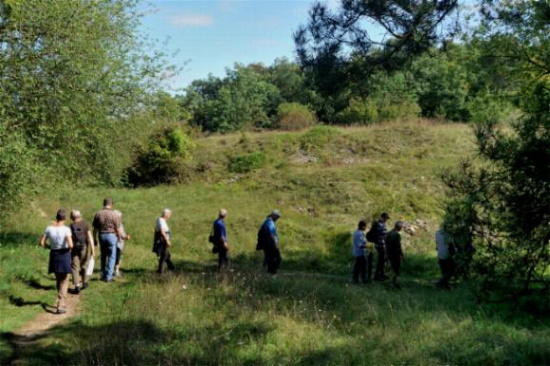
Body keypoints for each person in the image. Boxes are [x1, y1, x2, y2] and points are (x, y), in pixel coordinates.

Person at [39, 209, 74, 314]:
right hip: (64, 254)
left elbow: (41, 242)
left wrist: (49, 246)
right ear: (64, 218)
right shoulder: (66, 229)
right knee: (65, 280)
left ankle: (60, 299)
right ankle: (61, 304)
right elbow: (71, 244)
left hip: (54, 254)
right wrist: (69, 248)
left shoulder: (49, 229)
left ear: (56, 217)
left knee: (59, 279)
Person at [92, 198, 122, 282]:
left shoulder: (98, 214)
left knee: (103, 255)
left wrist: (94, 238)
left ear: (103, 204)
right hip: (111, 236)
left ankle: (103, 274)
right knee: (112, 257)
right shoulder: (114, 214)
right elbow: (118, 229)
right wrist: (119, 238)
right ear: (111, 204)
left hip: (101, 235)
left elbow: (95, 229)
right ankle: (108, 276)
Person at [69, 210, 95, 294]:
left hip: (74, 248)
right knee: (84, 265)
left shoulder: (71, 226)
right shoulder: (85, 224)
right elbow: (90, 237)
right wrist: (93, 250)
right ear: (80, 216)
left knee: (74, 267)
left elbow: (69, 239)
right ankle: (84, 282)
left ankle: (77, 286)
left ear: (72, 217)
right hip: (84, 247)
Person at [258, 210, 282, 275]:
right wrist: (275, 244)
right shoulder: (269, 222)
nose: (277, 219)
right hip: (270, 244)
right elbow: (272, 234)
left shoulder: (267, 221)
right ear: (273, 215)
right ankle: (272, 273)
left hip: (267, 244)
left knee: (267, 257)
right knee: (277, 258)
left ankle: (263, 272)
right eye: (277, 217)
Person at [153, 209, 175, 274]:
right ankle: (161, 272)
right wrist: (167, 240)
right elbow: (162, 231)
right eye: (169, 215)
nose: (169, 216)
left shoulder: (161, 220)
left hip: (162, 241)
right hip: (162, 242)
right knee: (164, 256)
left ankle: (172, 268)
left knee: (167, 255)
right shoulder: (161, 220)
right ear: (166, 215)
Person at [385, 221, 405, 289]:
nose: (402, 228)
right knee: (396, 270)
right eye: (401, 227)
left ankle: (393, 283)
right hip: (395, 254)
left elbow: (386, 244)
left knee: (392, 269)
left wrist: (386, 254)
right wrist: (402, 255)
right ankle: (394, 284)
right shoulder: (397, 235)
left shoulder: (389, 233)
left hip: (389, 253)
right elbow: (398, 246)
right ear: (399, 227)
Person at [436, 225, 455, 289]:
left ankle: (444, 285)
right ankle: (441, 282)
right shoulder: (448, 235)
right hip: (446, 255)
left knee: (444, 271)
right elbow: (451, 246)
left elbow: (437, 244)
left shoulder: (438, 233)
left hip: (440, 255)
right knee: (451, 270)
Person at [113, 210, 131, 277]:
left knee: (114, 257)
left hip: (117, 243)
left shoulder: (114, 223)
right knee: (117, 258)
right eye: (120, 217)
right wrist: (126, 236)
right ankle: (116, 271)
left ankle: (114, 270)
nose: (121, 218)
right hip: (118, 243)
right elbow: (119, 233)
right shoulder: (118, 224)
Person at [374, 212, 390, 281]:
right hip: (380, 245)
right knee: (381, 260)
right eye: (386, 218)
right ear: (383, 218)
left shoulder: (378, 223)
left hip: (378, 244)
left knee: (382, 260)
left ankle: (381, 274)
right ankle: (378, 276)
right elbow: (385, 234)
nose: (386, 220)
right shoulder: (380, 225)